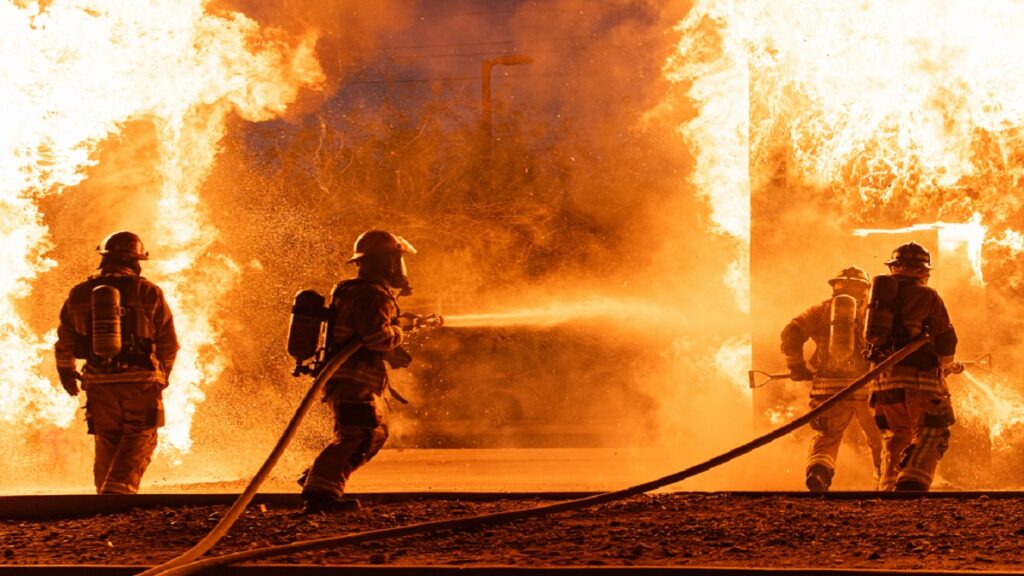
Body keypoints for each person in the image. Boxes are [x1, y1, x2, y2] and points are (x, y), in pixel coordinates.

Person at [300, 230, 417, 513]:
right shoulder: (374, 294)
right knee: (359, 435)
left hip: (347, 378)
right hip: (354, 381)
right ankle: (320, 494)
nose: (400, 268)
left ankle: (318, 478)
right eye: (396, 260)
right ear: (386, 262)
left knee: (373, 433)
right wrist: (401, 331)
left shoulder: (352, 289)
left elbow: (361, 336)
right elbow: (376, 337)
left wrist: (394, 343)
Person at [54, 231, 179, 494]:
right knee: (140, 434)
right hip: (140, 381)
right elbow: (168, 342)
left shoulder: (79, 293)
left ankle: (104, 497)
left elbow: (64, 340)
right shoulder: (148, 292)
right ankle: (119, 492)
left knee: (107, 437)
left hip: (98, 381)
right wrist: (163, 374)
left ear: (104, 259)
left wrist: (66, 372)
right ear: (136, 261)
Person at [781, 266, 883, 492]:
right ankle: (886, 483)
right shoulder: (874, 312)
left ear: (835, 286)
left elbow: (791, 333)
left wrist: (797, 366)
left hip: (828, 386)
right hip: (868, 385)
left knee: (827, 436)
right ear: (865, 289)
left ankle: (819, 472)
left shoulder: (819, 311)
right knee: (881, 439)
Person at [868, 242, 959, 491]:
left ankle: (888, 487)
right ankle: (912, 481)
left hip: (883, 382)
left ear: (894, 267)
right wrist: (947, 364)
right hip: (919, 380)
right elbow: (946, 339)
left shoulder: (874, 300)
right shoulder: (927, 296)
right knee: (934, 431)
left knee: (898, 434)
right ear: (921, 270)